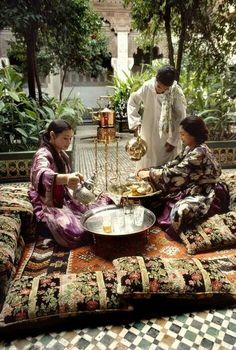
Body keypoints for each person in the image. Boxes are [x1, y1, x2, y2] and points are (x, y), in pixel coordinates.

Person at [138, 116, 229, 241]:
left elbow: (177, 173)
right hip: (194, 187)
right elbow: (173, 164)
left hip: (209, 192)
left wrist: (150, 174)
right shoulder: (189, 148)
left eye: (183, 134)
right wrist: (149, 171)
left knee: (180, 210)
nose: (181, 138)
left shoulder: (200, 153)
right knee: (155, 198)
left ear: (193, 134)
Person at [29, 119, 112, 249]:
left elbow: (65, 181)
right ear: (52, 135)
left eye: (70, 139)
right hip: (48, 201)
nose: (68, 142)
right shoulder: (42, 155)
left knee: (99, 207)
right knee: (75, 233)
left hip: (64, 196)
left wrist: (73, 180)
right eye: (65, 138)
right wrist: (66, 178)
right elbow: (42, 174)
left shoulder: (60, 152)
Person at [127, 65, 187, 170]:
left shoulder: (175, 92)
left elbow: (181, 116)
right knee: (146, 165)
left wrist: (173, 141)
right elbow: (133, 101)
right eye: (159, 87)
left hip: (167, 138)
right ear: (156, 79)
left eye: (165, 89)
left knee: (166, 169)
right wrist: (135, 122)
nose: (161, 91)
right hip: (148, 134)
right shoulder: (147, 87)